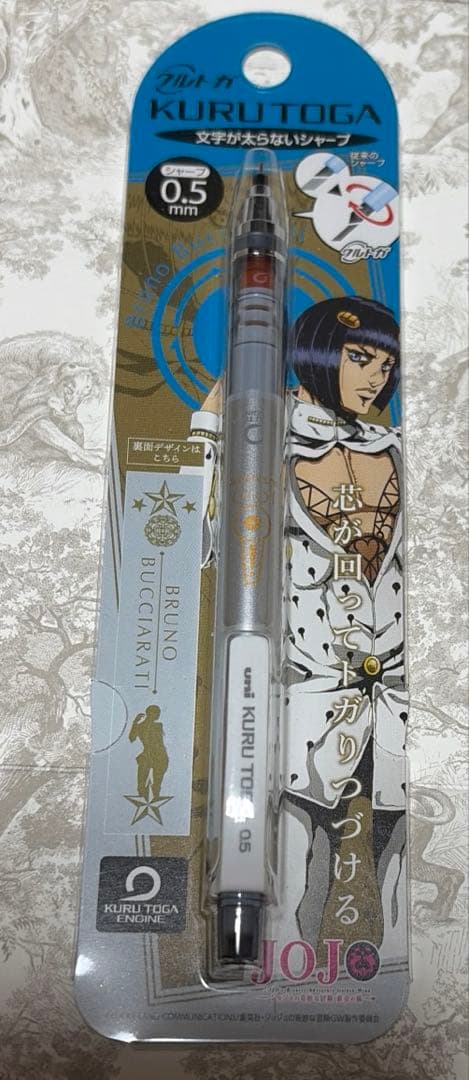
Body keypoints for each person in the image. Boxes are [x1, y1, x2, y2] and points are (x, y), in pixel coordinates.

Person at [189, 296, 408, 961]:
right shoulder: (268, 435)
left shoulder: (392, 446)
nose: (375, 378)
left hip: (393, 687)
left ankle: (372, 962)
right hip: (299, 689)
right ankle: (262, 951)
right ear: (314, 352)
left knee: (393, 854)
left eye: (386, 365)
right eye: (359, 357)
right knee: (289, 836)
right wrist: (213, 418)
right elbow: (196, 535)